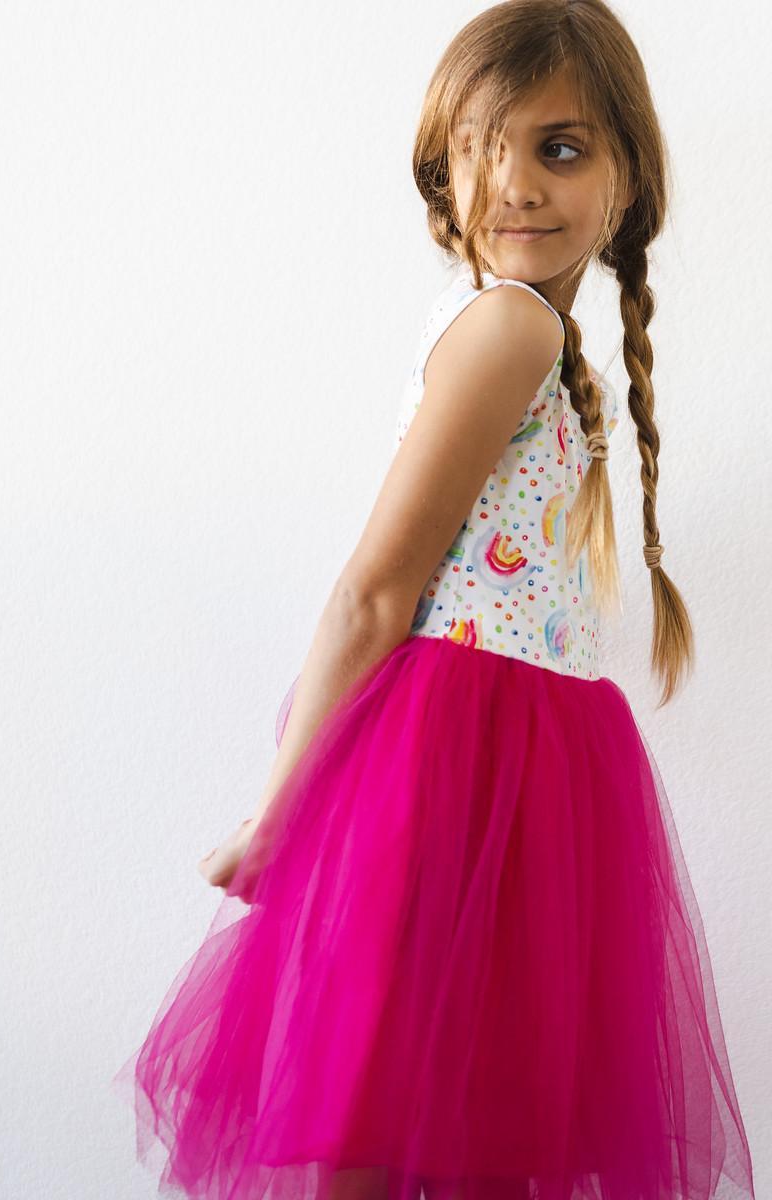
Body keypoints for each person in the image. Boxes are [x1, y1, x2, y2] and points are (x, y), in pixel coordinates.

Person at [112, 2, 757, 1197]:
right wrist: (275, 814)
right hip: (458, 764)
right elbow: (372, 591)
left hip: (509, 772)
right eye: (481, 148)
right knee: (407, 1120)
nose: (514, 184)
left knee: (444, 1120)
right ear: (441, 173)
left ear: (623, 177)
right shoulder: (507, 326)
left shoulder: (534, 340)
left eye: (557, 148)